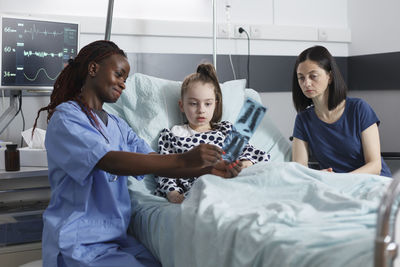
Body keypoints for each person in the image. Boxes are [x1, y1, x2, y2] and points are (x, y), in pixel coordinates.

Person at [32, 40, 241, 267]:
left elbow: (152, 160)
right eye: (119, 75)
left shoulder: (117, 124)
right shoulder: (66, 118)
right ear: (93, 69)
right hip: (79, 242)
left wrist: (209, 168)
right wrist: (185, 157)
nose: (123, 84)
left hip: (117, 240)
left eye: (125, 79)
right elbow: (108, 160)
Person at [154, 63, 270, 203]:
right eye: (193, 103)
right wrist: (172, 193)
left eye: (207, 104)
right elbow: (165, 170)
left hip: (235, 182)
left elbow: (254, 154)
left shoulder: (225, 130)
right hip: (202, 187)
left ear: (215, 105)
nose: (201, 110)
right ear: (181, 106)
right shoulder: (173, 135)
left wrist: (245, 164)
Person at [291, 45, 391, 177]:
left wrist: (342, 180)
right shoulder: (303, 120)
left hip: (374, 183)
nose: (306, 83)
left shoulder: (359, 109)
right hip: (337, 188)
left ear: (330, 77)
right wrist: (319, 175)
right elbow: (300, 170)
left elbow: (375, 166)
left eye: (313, 76)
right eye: (301, 78)